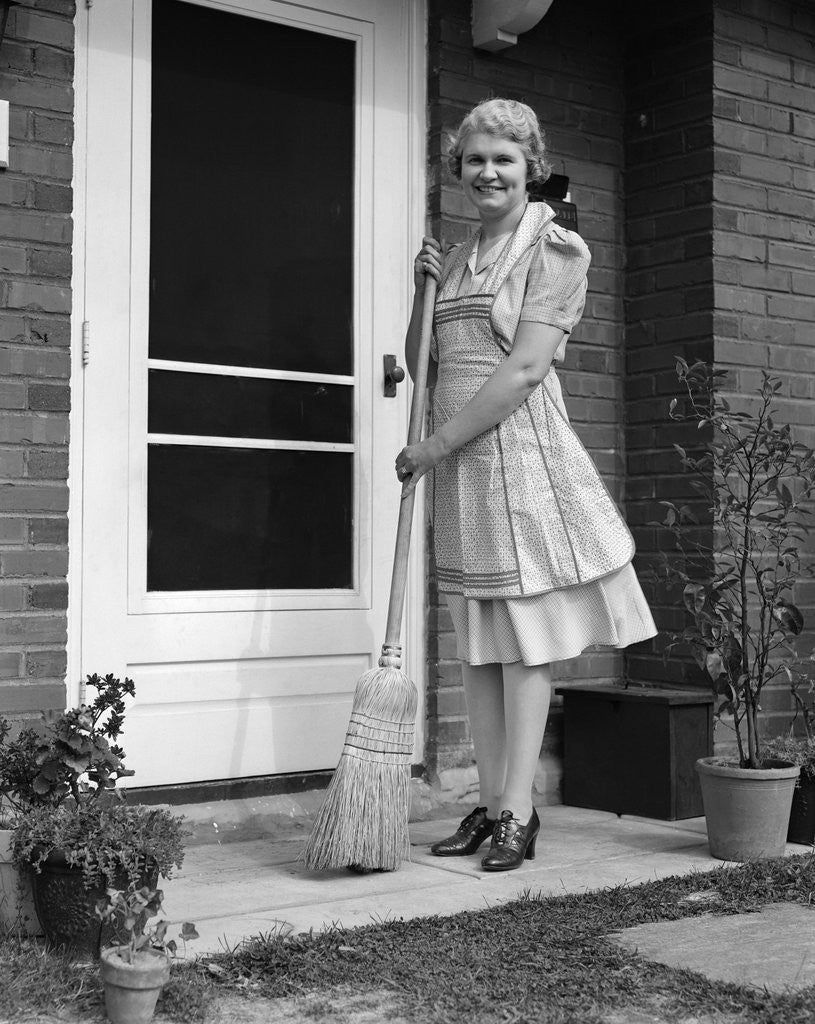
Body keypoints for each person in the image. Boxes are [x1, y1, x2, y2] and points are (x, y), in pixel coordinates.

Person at [395, 98, 657, 872]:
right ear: (458, 169)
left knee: (522, 646)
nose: (487, 172)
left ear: (529, 167)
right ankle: (487, 803)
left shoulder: (554, 249)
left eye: (503, 159)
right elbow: (422, 369)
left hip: (518, 465)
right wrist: (422, 292)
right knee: (476, 648)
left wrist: (432, 445)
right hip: (463, 471)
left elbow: (523, 370)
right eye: (474, 159)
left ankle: (520, 811)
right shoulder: (463, 252)